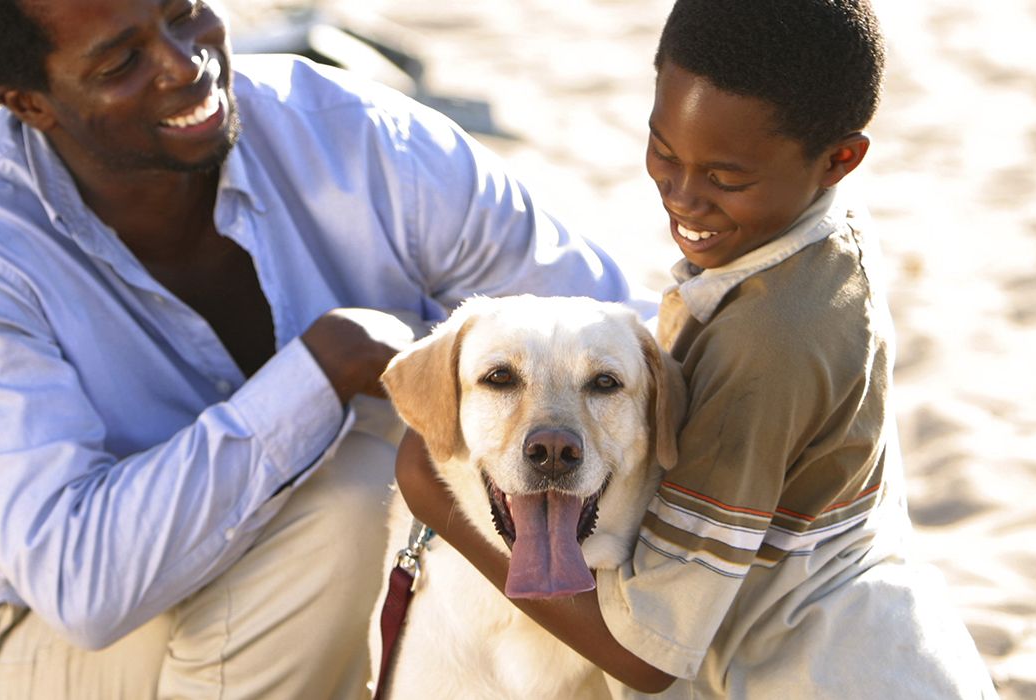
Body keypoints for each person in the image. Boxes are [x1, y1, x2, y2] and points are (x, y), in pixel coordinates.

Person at [0, 0, 637, 697]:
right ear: (28, 103)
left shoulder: (354, 135)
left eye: (185, 11)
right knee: (358, 497)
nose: (184, 61)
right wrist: (323, 369)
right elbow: (81, 586)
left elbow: (602, 321)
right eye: (120, 62)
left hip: (276, 594)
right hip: (19, 638)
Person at [394, 0, 998, 697]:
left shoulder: (770, 343)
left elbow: (649, 657)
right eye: (663, 151)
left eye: (726, 177)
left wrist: (431, 498)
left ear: (840, 159)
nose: (683, 196)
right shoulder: (818, 245)